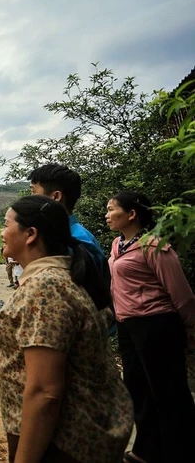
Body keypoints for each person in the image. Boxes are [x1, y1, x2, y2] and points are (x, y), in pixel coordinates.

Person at [0, 195, 131, 463]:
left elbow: (45, 391)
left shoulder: (46, 288)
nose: (1, 231)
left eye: (6, 223)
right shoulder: (56, 278)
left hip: (60, 441)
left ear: (30, 234)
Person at [106, 191, 195, 463]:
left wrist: (191, 328)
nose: (107, 215)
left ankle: (181, 451)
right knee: (137, 388)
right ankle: (146, 450)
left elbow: (182, 293)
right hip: (129, 326)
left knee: (168, 391)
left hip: (157, 326)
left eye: (111, 209)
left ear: (131, 214)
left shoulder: (154, 246)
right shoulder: (117, 245)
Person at [29, 164, 107, 275]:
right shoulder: (59, 236)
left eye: (33, 192)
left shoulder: (79, 242)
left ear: (56, 197)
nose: (29, 199)